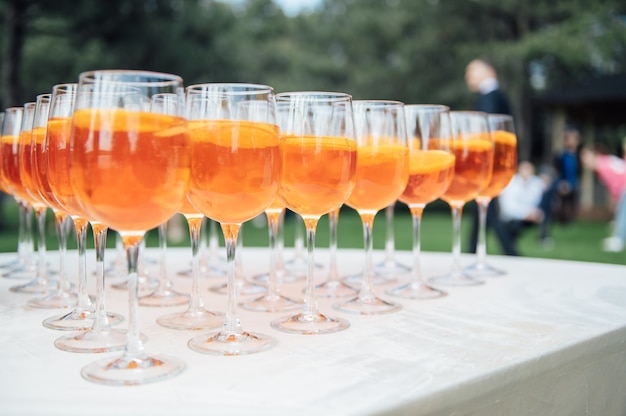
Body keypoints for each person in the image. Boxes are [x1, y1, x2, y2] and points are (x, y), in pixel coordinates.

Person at [464, 58, 517, 256]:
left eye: (471, 71)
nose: (467, 77)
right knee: (484, 208)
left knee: (488, 207)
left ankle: (509, 253)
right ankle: (472, 252)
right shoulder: (494, 96)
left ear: (488, 71)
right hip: (494, 165)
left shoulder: (489, 96)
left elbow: (486, 132)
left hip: (489, 165)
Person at [580, 143, 626, 252]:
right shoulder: (603, 165)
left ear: (594, 155)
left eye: (585, 157)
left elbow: (619, 183)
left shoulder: (603, 165)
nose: (583, 161)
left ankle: (618, 240)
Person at [499, 161, 546, 255]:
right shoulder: (511, 183)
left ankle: (544, 237)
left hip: (529, 217)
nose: (526, 172)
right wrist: (526, 213)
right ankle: (512, 253)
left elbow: (536, 201)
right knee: (506, 230)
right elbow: (508, 208)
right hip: (509, 218)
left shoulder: (537, 183)